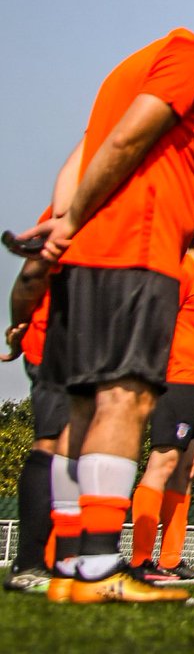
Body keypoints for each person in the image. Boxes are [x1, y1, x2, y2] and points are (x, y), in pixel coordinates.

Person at [13, 10, 194, 605]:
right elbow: (128, 138)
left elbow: (85, 147)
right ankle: (100, 565)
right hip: (134, 252)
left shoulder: (136, 62)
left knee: (82, 409)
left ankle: (72, 565)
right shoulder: (188, 57)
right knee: (126, 397)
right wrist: (74, 219)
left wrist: (64, 221)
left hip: (94, 254)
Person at [129, 212, 194, 582]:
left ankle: (171, 560)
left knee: (184, 473)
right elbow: (157, 324)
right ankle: (141, 560)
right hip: (178, 383)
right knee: (163, 464)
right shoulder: (183, 273)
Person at [2, 253, 68, 593]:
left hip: (97, 348)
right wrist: (19, 326)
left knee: (83, 449)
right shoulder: (71, 212)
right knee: (54, 443)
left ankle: (69, 560)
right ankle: (28, 563)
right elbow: (31, 275)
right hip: (56, 347)